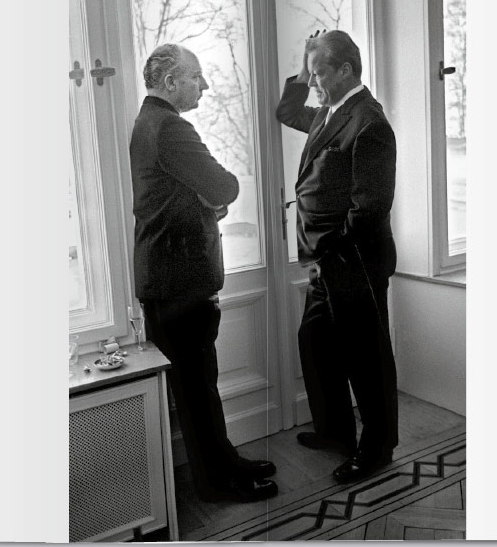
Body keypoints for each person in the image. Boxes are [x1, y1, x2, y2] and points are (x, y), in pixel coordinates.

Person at [129, 43, 278, 503]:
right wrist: (212, 198)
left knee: (200, 388)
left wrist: (206, 200)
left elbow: (192, 197)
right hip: (180, 285)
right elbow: (224, 186)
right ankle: (216, 484)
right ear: (171, 81)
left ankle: (225, 462)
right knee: (196, 392)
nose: (205, 85)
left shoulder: (147, 123)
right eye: (196, 77)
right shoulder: (170, 127)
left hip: (167, 281)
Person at [276, 30, 400, 483]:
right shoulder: (328, 113)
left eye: (319, 74)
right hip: (326, 262)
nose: (313, 84)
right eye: (310, 75)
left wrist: (331, 252)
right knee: (315, 342)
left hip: (353, 262)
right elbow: (287, 111)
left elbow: (369, 208)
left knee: (366, 359)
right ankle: (335, 432)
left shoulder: (369, 121)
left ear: (346, 70)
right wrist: (303, 63)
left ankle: (377, 449)